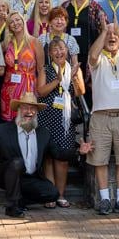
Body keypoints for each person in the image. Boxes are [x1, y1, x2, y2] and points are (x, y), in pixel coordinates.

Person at [0, 92, 93, 217]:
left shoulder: (43, 133)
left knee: (52, 193)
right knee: (17, 162)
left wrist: (78, 151)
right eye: (25, 107)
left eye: (32, 108)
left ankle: (19, 200)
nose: (29, 112)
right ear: (18, 110)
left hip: (29, 178)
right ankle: (12, 207)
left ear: (36, 112)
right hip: (7, 175)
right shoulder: (3, 130)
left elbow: (58, 153)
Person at [87, 18, 119, 216]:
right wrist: (105, 31)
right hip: (100, 116)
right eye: (108, 36)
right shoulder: (98, 59)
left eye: (115, 36)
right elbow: (92, 55)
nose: (112, 38)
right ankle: (105, 199)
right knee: (99, 159)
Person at [36, 37, 84, 209]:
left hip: (65, 120)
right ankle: (51, 195)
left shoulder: (74, 69)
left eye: (61, 48)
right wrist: (58, 79)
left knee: (62, 158)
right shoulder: (46, 69)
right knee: (48, 158)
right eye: (55, 50)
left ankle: (61, 194)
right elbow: (41, 91)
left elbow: (80, 92)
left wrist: (74, 78)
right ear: (50, 54)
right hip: (47, 117)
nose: (59, 52)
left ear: (67, 51)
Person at [62, 0, 105, 100]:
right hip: (68, 55)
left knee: (87, 88)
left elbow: (104, 29)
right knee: (69, 85)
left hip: (89, 55)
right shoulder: (65, 6)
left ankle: (87, 111)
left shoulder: (95, 8)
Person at [0, 11, 44, 122]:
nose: (15, 23)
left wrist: (40, 90)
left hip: (28, 88)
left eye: (17, 20)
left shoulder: (35, 42)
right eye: (11, 22)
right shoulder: (6, 44)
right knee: (9, 123)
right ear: (9, 26)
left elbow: (41, 69)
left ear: (23, 21)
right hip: (9, 88)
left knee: (26, 121)